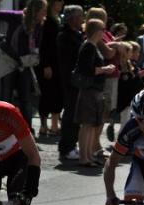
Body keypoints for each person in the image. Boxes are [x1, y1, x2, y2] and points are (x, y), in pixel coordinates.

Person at [74, 18, 116, 167]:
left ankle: (89, 156)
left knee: (91, 124)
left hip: (94, 90)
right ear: (96, 31)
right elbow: (87, 70)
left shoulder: (92, 46)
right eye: (102, 29)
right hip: (89, 90)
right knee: (87, 124)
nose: (103, 32)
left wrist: (104, 69)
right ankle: (84, 157)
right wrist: (105, 69)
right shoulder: (88, 47)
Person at [11, 0, 46, 133]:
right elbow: (16, 42)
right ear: (36, 10)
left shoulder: (39, 25)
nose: (44, 13)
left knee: (26, 97)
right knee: (9, 97)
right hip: (13, 61)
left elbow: (37, 44)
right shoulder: (21, 21)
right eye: (42, 10)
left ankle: (27, 129)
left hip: (27, 64)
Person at [56, 4, 83, 161]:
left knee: (75, 114)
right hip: (70, 80)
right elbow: (69, 60)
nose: (82, 19)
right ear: (72, 18)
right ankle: (66, 147)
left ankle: (72, 144)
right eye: (80, 16)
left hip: (76, 80)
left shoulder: (77, 34)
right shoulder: (64, 36)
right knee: (70, 113)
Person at [37, 0, 64, 137]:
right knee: (46, 93)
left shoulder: (59, 19)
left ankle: (54, 125)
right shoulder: (47, 22)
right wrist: (46, 64)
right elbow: (44, 45)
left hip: (58, 63)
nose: (62, 3)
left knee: (57, 94)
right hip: (48, 64)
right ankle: (43, 125)